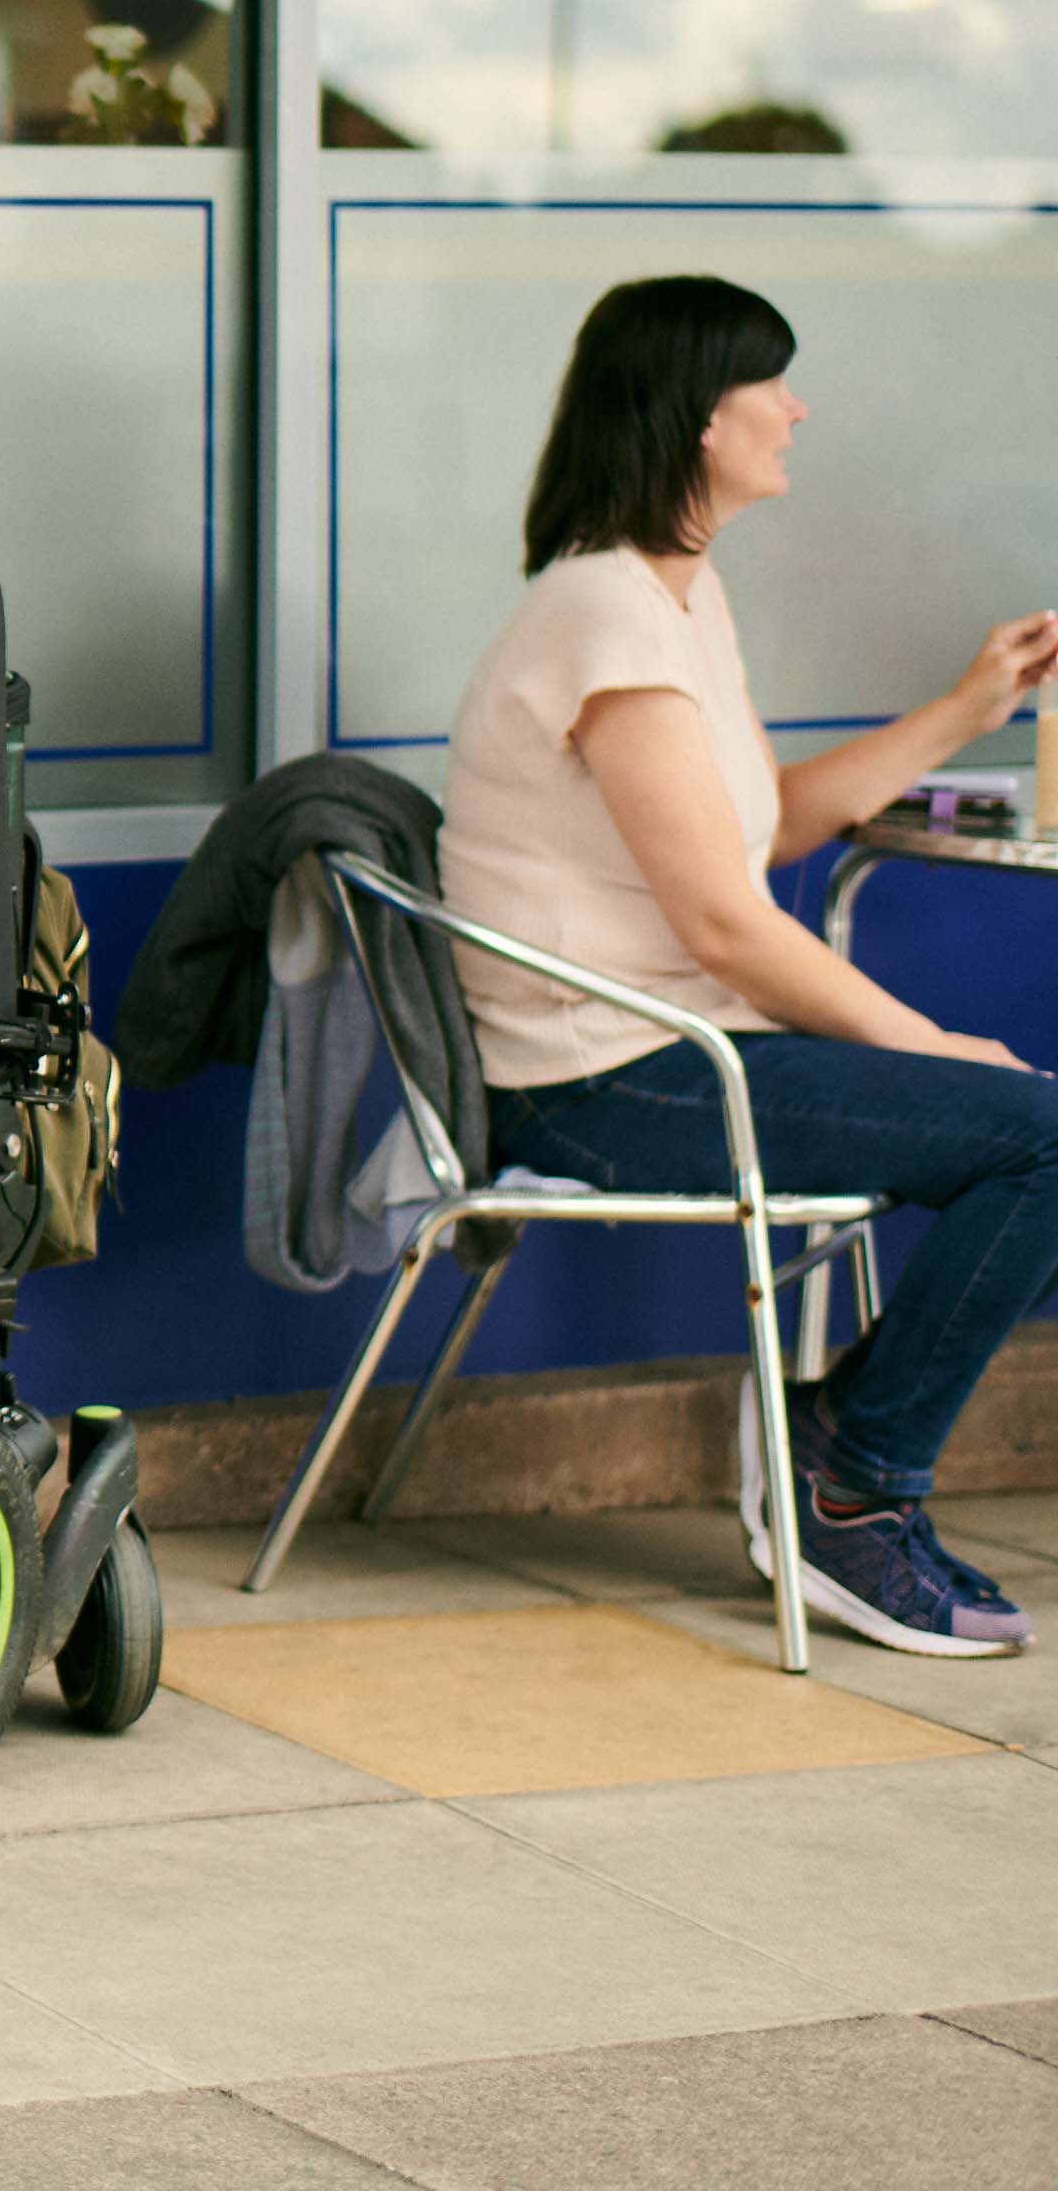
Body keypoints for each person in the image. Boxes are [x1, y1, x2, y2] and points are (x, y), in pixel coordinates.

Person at [442, 273, 1058, 1658]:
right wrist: (932, 1045)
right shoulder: (606, 617)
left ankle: (839, 1438)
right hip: (603, 1082)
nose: (796, 406)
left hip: (670, 1051)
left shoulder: (669, 600)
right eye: (767, 384)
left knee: (1036, 1137)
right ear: (696, 419)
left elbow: (766, 821)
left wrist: (971, 708)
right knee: (1041, 1140)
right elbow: (726, 925)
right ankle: (848, 1480)